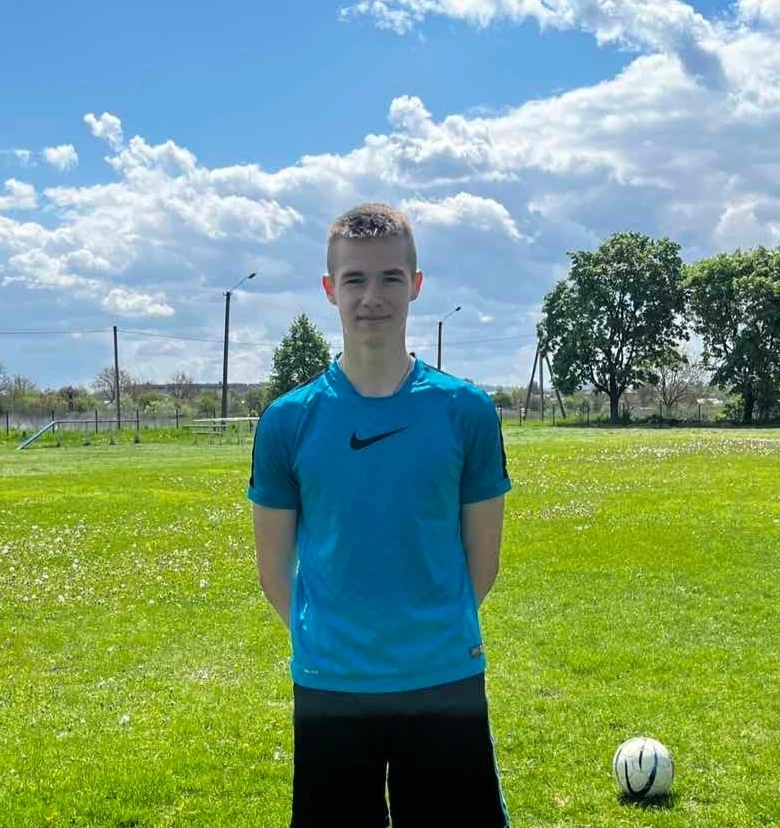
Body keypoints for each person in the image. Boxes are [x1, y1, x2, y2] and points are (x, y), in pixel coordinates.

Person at [247, 203, 512, 827]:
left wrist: (422, 636)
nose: (373, 296)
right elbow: (273, 568)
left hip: (443, 678)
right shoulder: (287, 420)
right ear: (329, 289)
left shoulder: (466, 411)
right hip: (332, 684)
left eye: (391, 277)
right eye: (355, 279)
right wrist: (330, 639)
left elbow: (483, 561)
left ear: (415, 285)